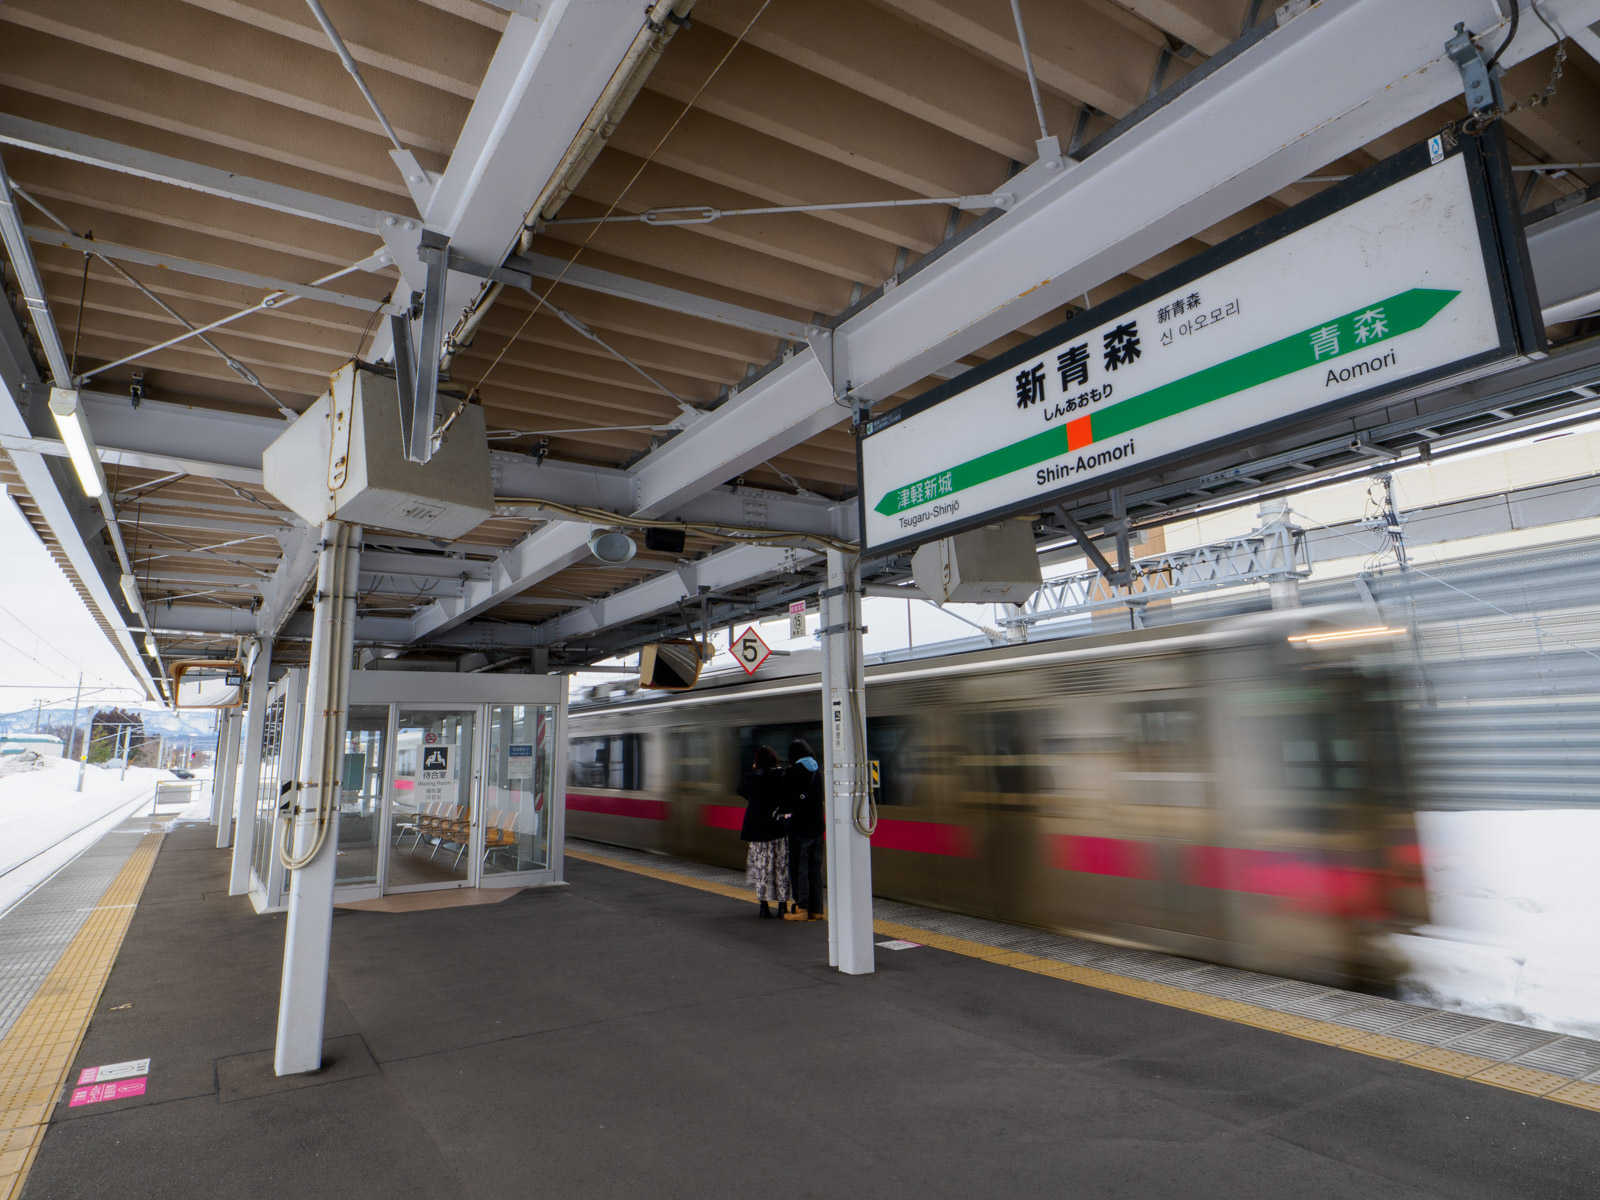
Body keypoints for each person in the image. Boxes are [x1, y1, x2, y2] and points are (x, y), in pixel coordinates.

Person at [737, 745, 791, 918]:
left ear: (757, 761)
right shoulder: (780, 776)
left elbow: (742, 791)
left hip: (758, 831)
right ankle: (782, 906)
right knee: (781, 867)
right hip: (778, 829)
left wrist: (754, 772)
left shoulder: (751, 778)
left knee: (762, 869)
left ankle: (764, 907)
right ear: (774, 759)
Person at [783, 738, 825, 922]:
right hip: (817, 827)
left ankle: (802, 909)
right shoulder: (818, 771)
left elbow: (788, 801)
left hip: (801, 828)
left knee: (799, 868)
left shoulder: (794, 772)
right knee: (815, 869)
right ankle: (817, 909)